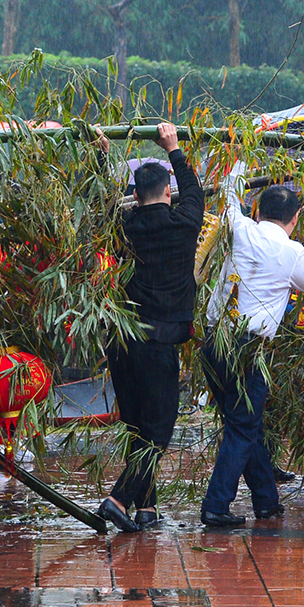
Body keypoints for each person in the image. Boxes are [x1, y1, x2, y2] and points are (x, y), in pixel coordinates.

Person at [199, 174, 304, 528]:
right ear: (294, 218)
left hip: (215, 342)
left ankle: (266, 502)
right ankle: (216, 506)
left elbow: (229, 189)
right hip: (247, 350)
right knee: (243, 428)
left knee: (247, 425)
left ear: (258, 208)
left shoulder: (240, 227)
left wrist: (240, 158)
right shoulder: (292, 251)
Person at [95, 122, 203, 533]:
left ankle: (146, 508)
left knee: (138, 425)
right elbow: (195, 193)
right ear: (168, 192)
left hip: (123, 341)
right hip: (159, 343)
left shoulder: (125, 228)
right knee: (157, 430)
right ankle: (119, 498)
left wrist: (103, 156)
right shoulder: (185, 225)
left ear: (135, 196)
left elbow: (101, 203)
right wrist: (174, 146)